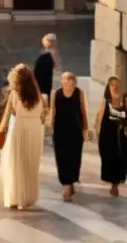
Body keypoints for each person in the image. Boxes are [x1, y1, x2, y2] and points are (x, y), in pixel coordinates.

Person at [0, 63, 44, 210]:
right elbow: (43, 117)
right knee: (30, 165)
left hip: (19, 129)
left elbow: (3, 124)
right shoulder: (40, 97)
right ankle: (28, 197)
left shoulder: (14, 95)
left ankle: (16, 197)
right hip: (35, 130)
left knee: (15, 164)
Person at [95, 75, 127, 196]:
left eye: (117, 84)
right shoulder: (106, 100)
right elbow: (100, 116)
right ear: (108, 87)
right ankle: (113, 185)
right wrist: (96, 132)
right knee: (109, 159)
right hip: (107, 135)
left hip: (121, 135)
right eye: (112, 85)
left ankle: (116, 183)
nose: (115, 87)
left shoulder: (126, 99)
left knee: (122, 159)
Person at [50, 71, 88, 200]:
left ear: (73, 81)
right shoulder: (56, 93)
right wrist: (50, 126)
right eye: (63, 79)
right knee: (61, 157)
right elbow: (52, 111)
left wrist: (85, 128)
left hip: (75, 131)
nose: (65, 81)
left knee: (74, 158)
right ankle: (66, 186)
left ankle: (70, 181)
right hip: (60, 130)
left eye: (68, 79)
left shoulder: (79, 93)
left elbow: (83, 110)